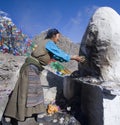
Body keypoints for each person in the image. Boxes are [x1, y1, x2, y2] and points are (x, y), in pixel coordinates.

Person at [3, 28, 85, 124]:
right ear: (53, 35)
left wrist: (72, 58)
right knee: (23, 91)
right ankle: (8, 117)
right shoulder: (49, 42)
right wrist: (74, 57)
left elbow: (58, 57)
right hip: (30, 68)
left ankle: (39, 114)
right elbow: (60, 53)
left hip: (33, 69)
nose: (58, 39)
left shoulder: (47, 45)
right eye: (58, 36)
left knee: (35, 91)